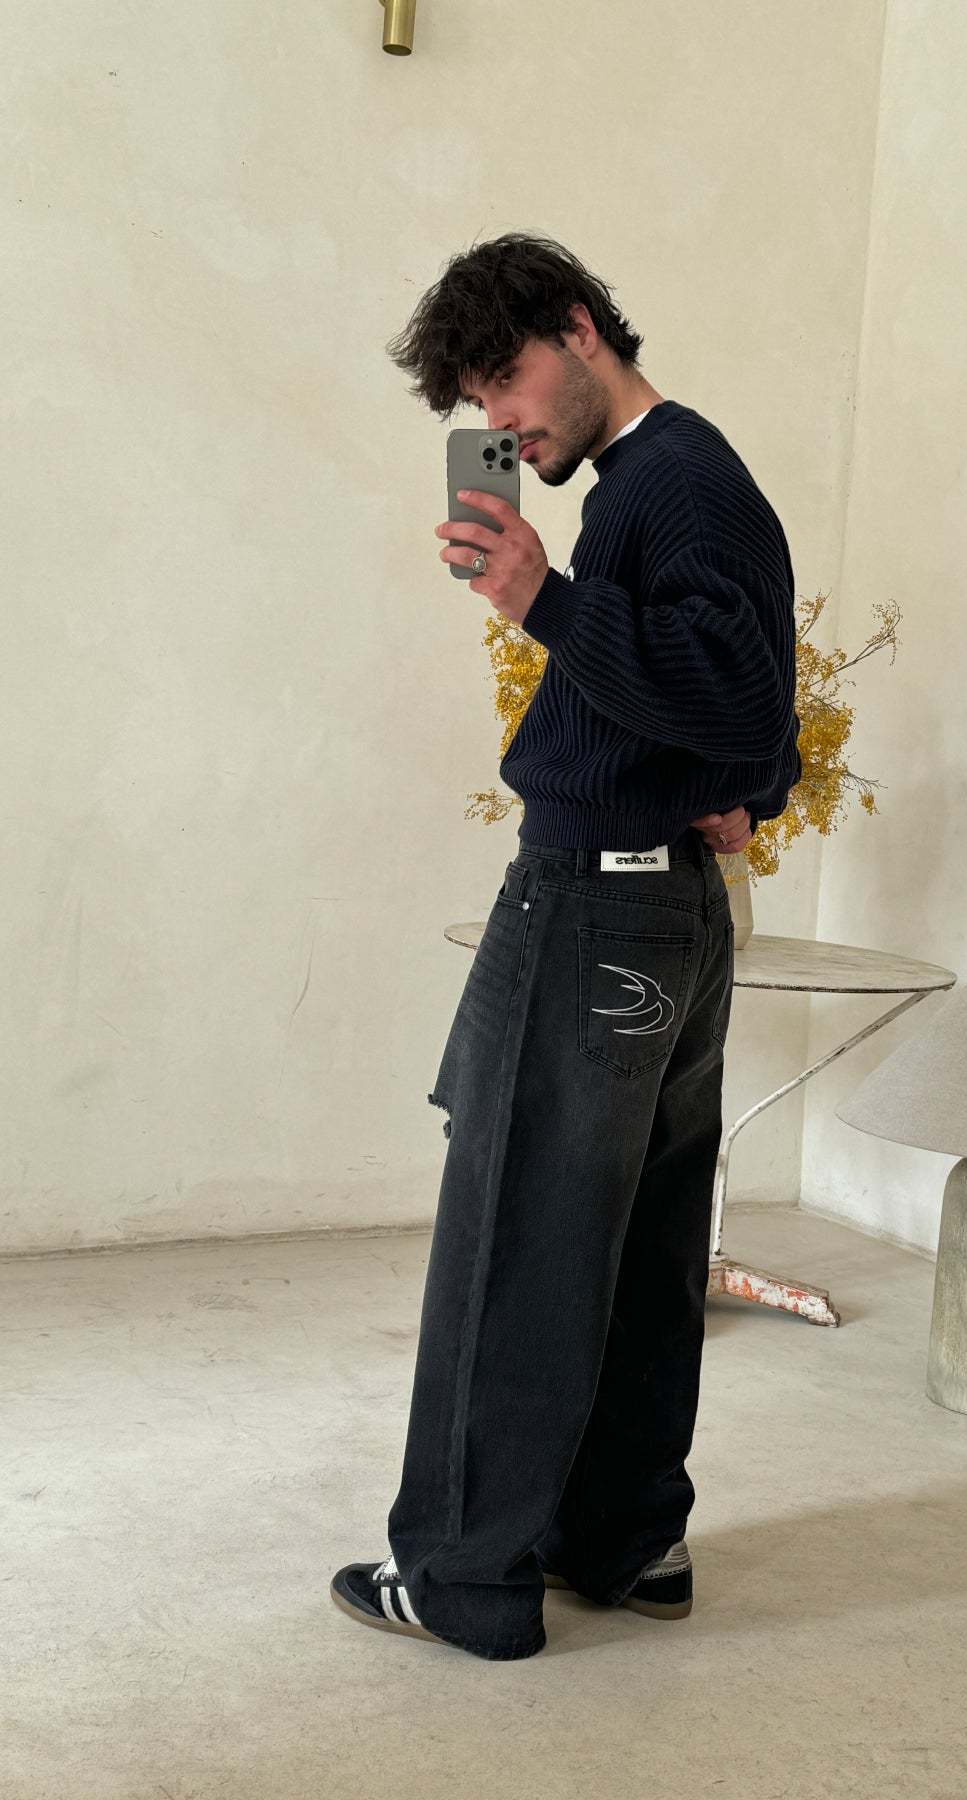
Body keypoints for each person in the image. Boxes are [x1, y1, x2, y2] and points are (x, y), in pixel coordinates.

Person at [330, 233, 802, 1660]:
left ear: (582, 329)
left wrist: (543, 599)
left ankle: (466, 1575)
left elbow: (729, 687)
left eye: (509, 380)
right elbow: (751, 704)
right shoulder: (680, 478)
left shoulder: (672, 483)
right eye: (479, 404)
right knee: (644, 1239)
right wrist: (750, 791)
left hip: (595, 906)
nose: (503, 422)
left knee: (517, 1232)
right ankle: (626, 1538)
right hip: (667, 915)